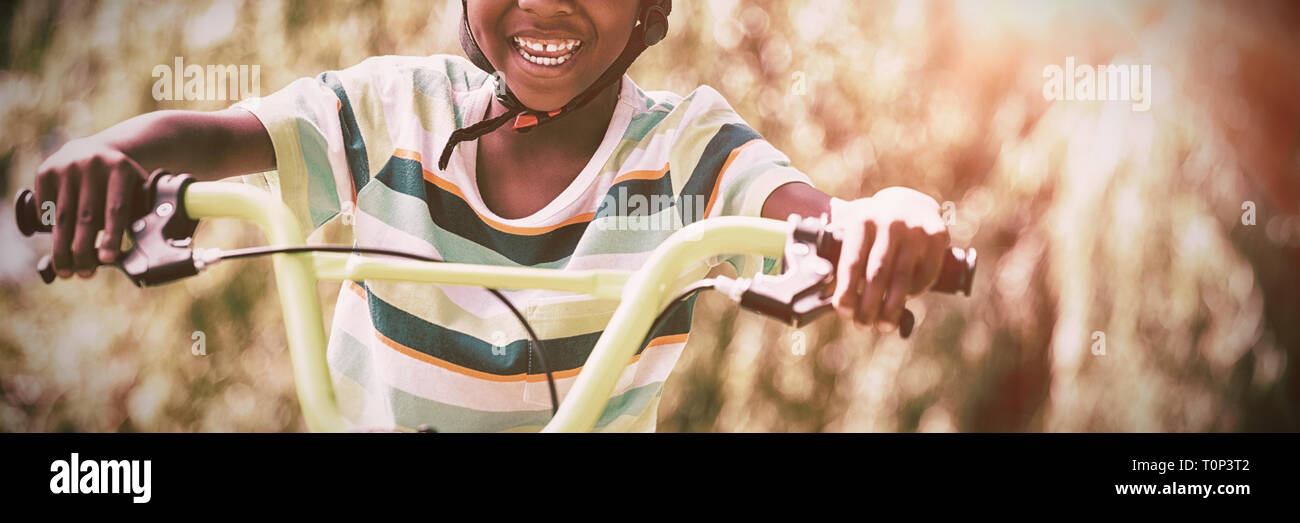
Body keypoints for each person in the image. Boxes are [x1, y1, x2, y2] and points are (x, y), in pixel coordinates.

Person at [30, 0, 950, 432]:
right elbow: (219, 137)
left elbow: (817, 213)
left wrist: (892, 221)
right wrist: (106, 159)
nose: (543, 1)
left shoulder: (687, 151)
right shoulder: (396, 114)